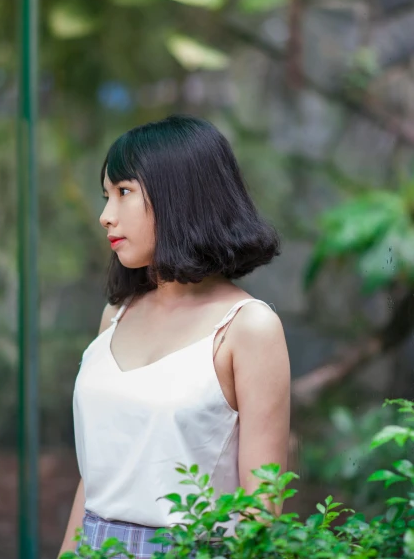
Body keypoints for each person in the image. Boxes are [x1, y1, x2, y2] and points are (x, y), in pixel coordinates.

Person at [58, 115, 291, 557]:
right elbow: (95, 479)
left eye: (124, 193)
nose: (106, 216)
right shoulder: (115, 317)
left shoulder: (247, 327)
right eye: (106, 196)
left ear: (179, 198)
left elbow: (262, 509)